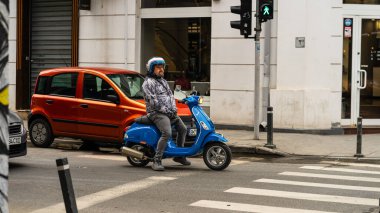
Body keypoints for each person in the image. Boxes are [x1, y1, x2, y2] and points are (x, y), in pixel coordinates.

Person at [142, 57, 191, 171]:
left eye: (162, 67)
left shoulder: (163, 81)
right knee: (167, 133)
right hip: (156, 113)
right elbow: (154, 103)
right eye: (158, 67)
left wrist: (174, 109)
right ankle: (157, 160)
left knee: (183, 129)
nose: (161, 69)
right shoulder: (148, 83)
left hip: (168, 112)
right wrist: (168, 111)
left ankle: (179, 156)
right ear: (151, 69)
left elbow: (170, 96)